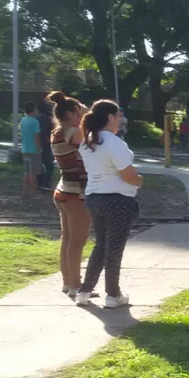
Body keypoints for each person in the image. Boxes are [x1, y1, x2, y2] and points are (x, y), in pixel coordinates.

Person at [75, 100, 143, 308]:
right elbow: (127, 173)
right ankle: (113, 294)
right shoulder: (112, 142)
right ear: (110, 117)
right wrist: (139, 180)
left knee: (101, 245)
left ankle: (85, 290)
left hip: (95, 197)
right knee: (114, 248)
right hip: (118, 199)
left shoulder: (88, 141)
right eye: (118, 115)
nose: (120, 119)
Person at [48, 91, 91, 299]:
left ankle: (68, 282)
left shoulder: (58, 131)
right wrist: (90, 115)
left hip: (64, 190)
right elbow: (94, 136)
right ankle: (76, 285)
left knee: (68, 240)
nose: (85, 109)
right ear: (73, 111)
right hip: (76, 193)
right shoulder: (73, 131)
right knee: (77, 241)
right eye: (81, 107)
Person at [19, 102, 42, 197]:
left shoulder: (22, 120)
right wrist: (39, 149)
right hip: (33, 150)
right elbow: (36, 137)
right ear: (33, 110)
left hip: (25, 149)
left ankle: (25, 191)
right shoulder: (35, 122)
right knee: (33, 173)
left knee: (26, 171)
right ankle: (34, 192)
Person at [37, 103, 55, 191]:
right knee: (49, 165)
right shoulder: (49, 120)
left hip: (37, 142)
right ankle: (46, 183)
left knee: (38, 164)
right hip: (47, 143)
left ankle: (39, 182)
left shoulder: (35, 119)